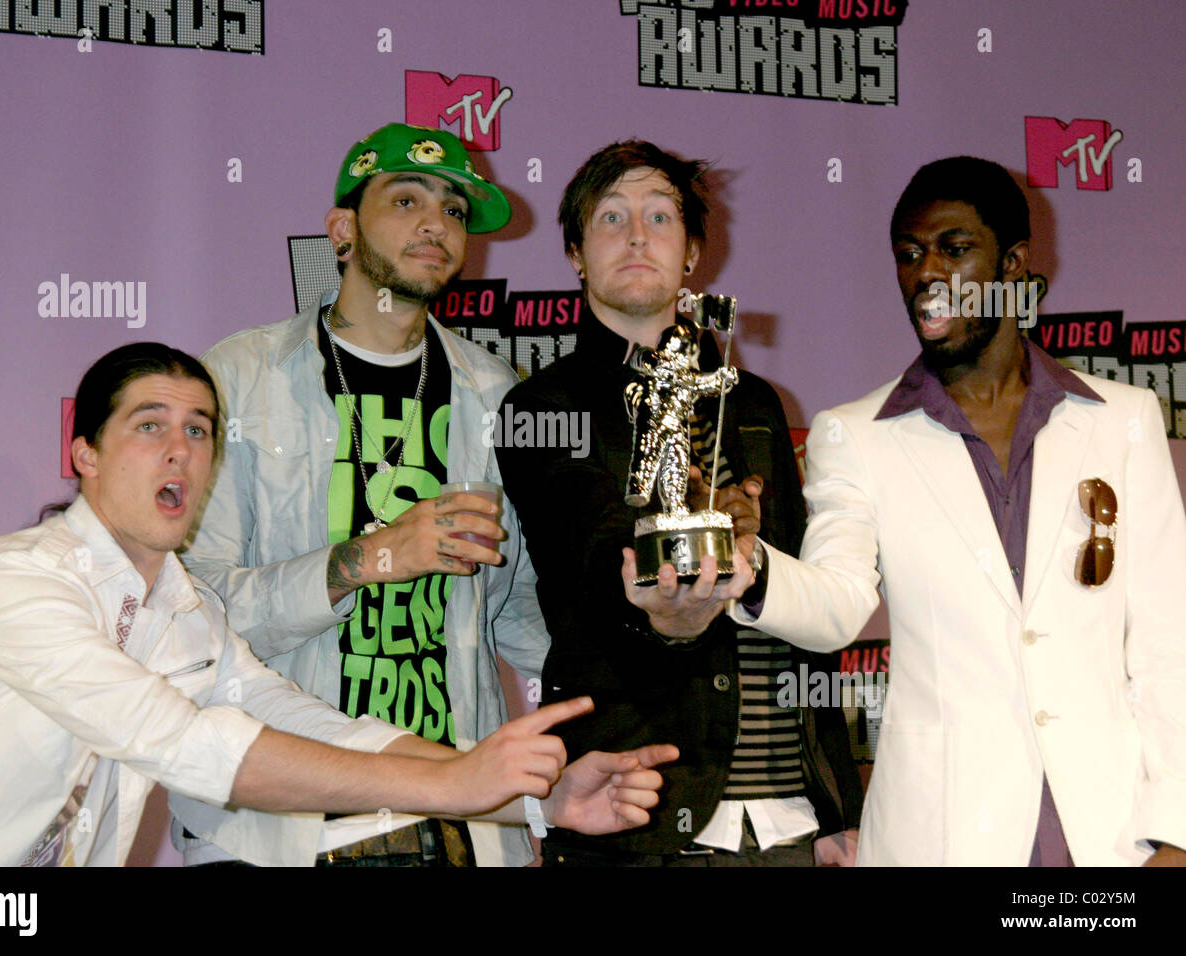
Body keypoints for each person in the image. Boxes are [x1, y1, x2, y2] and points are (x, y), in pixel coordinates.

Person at [0, 344, 673, 866]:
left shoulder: (184, 610)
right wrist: (450, 787)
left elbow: (308, 722)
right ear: (82, 454)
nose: (180, 450)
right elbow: (186, 744)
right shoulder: (14, 578)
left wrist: (532, 798)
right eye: (148, 425)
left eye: (199, 430)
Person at [741, 156, 1186, 865]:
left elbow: (1170, 644)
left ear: (1013, 265)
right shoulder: (855, 434)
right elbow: (837, 605)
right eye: (910, 255)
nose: (926, 275)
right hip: (944, 834)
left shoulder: (1124, 421)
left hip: (1108, 833)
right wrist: (748, 567)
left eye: (954, 249)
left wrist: (1175, 830)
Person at [175, 123, 557, 866]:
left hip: (452, 818)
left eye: (452, 210)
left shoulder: (495, 393)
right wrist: (368, 558)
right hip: (279, 826)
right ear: (342, 230)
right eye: (406, 199)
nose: (434, 224)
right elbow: (193, 617)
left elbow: (517, 611)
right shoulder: (237, 378)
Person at [496, 141, 863, 866]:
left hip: (785, 816)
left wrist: (835, 805)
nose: (637, 236)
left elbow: (800, 601)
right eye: (611, 218)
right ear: (575, 251)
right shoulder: (542, 406)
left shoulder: (752, 403)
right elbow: (592, 571)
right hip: (639, 807)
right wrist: (677, 558)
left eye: (660, 217)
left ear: (692, 251)